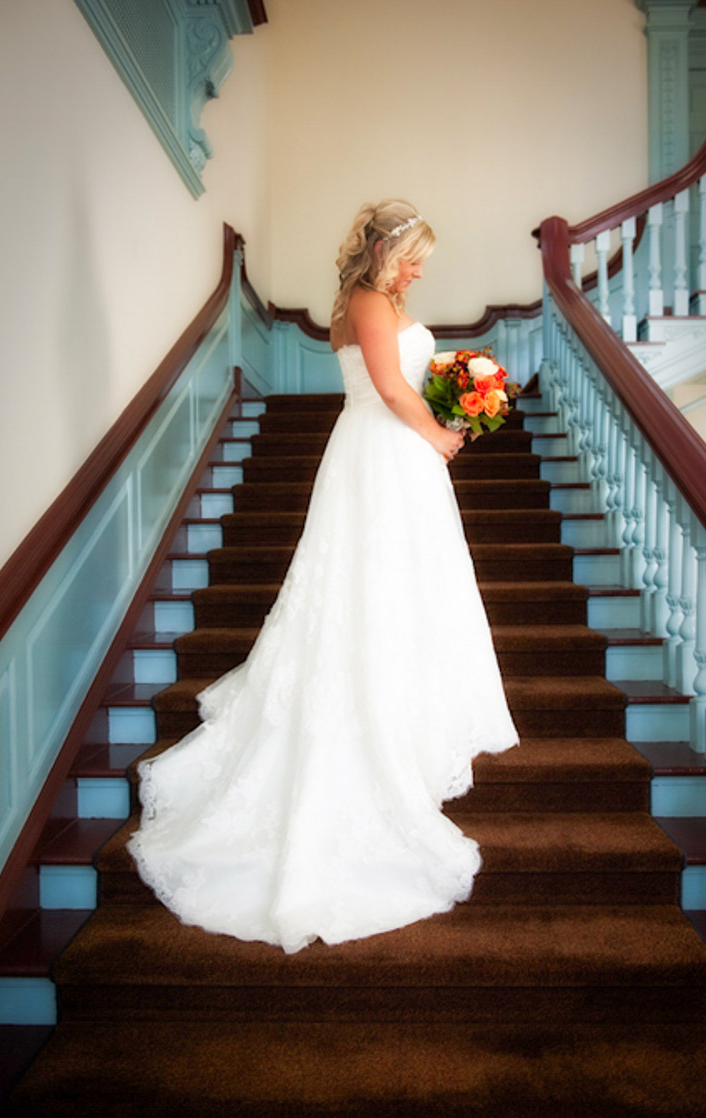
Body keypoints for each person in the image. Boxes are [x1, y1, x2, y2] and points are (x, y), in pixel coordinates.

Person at [129, 200, 519, 954]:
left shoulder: (374, 301)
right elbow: (391, 388)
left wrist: (456, 400)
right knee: (367, 586)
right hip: (383, 449)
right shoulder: (368, 302)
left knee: (406, 588)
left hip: (396, 452)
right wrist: (440, 433)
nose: (418, 272)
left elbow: (403, 381)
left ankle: (408, 704)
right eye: (412, 258)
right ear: (383, 253)